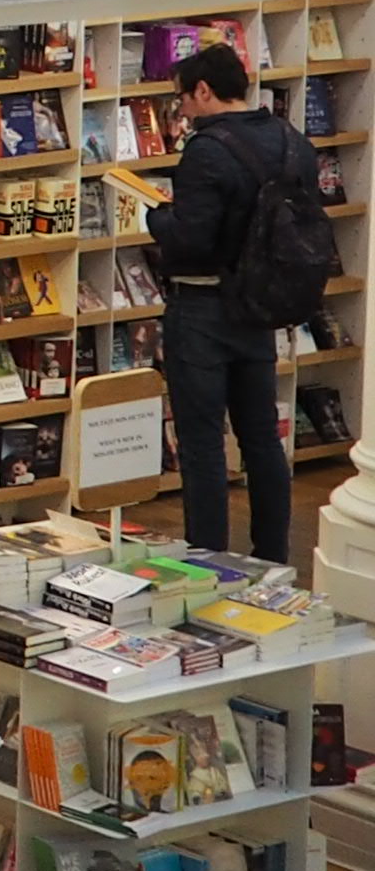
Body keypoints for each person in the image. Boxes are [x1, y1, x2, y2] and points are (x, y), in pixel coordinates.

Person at [144, 41, 307, 562]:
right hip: (260, 307)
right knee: (261, 439)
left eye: (184, 100)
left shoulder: (207, 151)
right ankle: (272, 556)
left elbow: (190, 239)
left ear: (204, 91)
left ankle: (207, 560)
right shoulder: (290, 141)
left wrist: (155, 217)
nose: (183, 112)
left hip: (202, 309)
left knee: (203, 444)